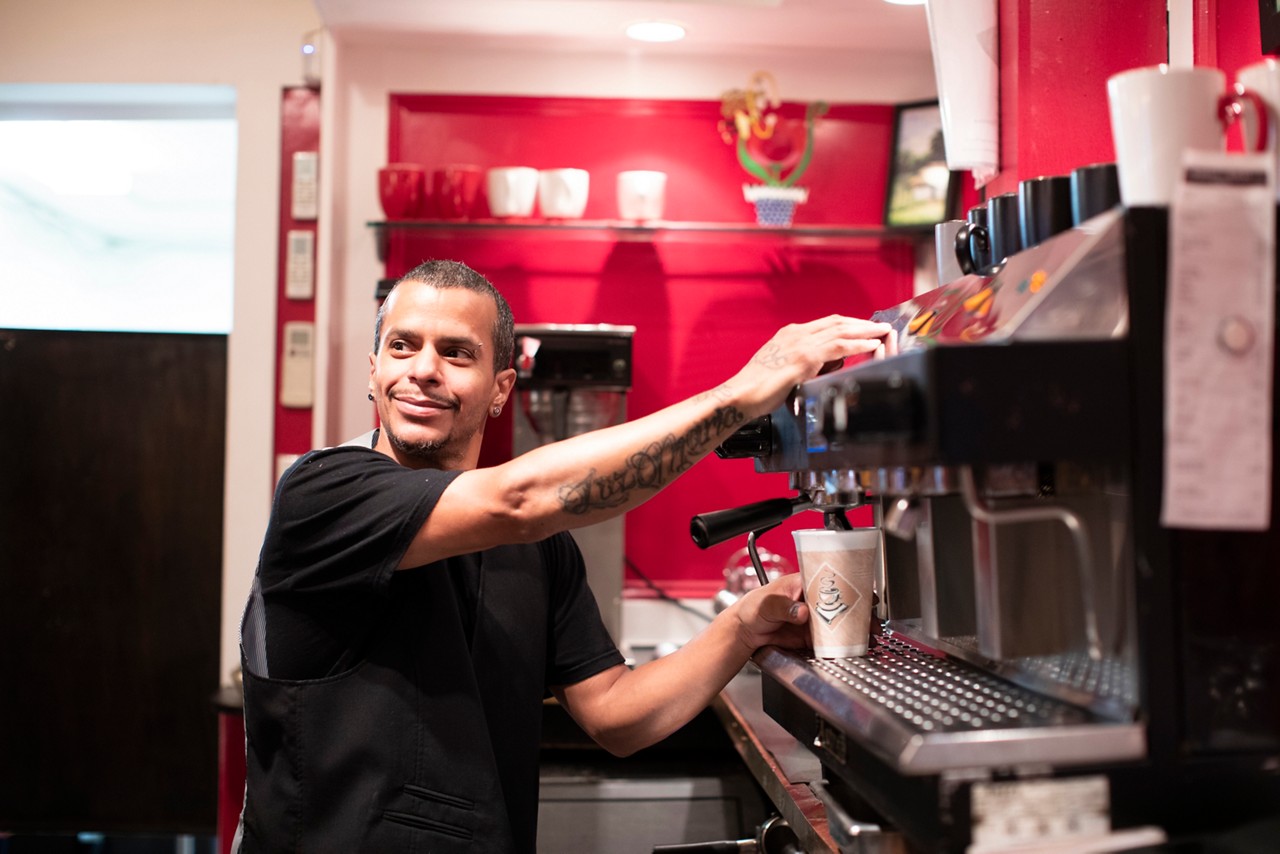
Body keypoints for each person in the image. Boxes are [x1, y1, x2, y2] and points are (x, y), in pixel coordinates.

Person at [235, 259, 894, 852]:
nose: (423, 370)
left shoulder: (537, 548)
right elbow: (517, 498)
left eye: (455, 353)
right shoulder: (323, 493)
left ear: (500, 388)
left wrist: (740, 628)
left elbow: (615, 716)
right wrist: (744, 391)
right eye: (402, 346)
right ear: (374, 371)